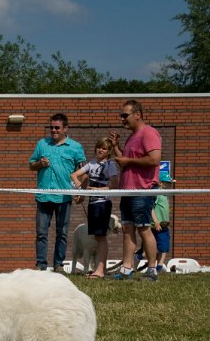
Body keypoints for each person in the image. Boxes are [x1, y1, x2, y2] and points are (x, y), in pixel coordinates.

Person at [109, 99, 162, 281]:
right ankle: (126, 269)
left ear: (137, 115)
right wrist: (116, 147)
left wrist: (128, 161)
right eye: (121, 116)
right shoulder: (132, 136)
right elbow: (124, 161)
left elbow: (154, 160)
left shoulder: (149, 133)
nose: (122, 119)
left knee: (144, 229)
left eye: (125, 115)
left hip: (143, 190)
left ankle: (152, 270)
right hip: (128, 190)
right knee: (128, 228)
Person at [29, 113, 86, 272]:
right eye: (51, 127)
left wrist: (81, 190)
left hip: (64, 197)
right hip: (43, 196)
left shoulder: (75, 147)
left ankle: (58, 265)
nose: (53, 130)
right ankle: (41, 265)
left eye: (57, 128)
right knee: (41, 233)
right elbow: (31, 165)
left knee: (62, 233)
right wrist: (40, 163)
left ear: (65, 128)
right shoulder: (42, 144)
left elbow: (83, 170)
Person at [70, 138, 120, 279]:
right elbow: (74, 175)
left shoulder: (110, 164)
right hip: (92, 204)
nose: (100, 150)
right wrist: (80, 188)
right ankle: (96, 269)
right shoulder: (90, 163)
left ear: (109, 151)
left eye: (103, 148)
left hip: (103, 203)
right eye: (98, 147)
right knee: (97, 237)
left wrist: (96, 189)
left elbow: (114, 185)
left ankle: (100, 270)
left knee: (101, 237)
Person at [153, 171, 174, 273]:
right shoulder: (157, 193)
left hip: (164, 225)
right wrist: (156, 221)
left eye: (170, 183)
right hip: (157, 225)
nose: (170, 185)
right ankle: (134, 265)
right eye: (167, 182)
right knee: (147, 250)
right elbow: (151, 207)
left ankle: (159, 268)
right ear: (160, 183)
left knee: (164, 247)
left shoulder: (165, 194)